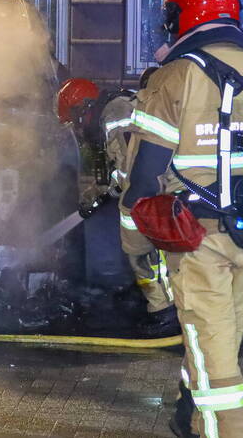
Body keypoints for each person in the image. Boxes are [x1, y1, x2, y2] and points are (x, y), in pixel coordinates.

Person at [118, 0, 243, 438]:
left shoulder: (176, 76)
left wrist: (134, 246)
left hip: (195, 245)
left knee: (218, 381)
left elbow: (144, 178)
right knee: (216, 351)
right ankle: (186, 419)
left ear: (182, 15)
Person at [58, 71, 178, 337]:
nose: (78, 129)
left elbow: (129, 165)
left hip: (149, 190)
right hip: (154, 186)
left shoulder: (114, 115)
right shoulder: (112, 110)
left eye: (75, 121)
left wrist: (104, 193)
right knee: (153, 254)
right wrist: (97, 192)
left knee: (144, 253)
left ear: (82, 108)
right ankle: (164, 308)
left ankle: (165, 313)